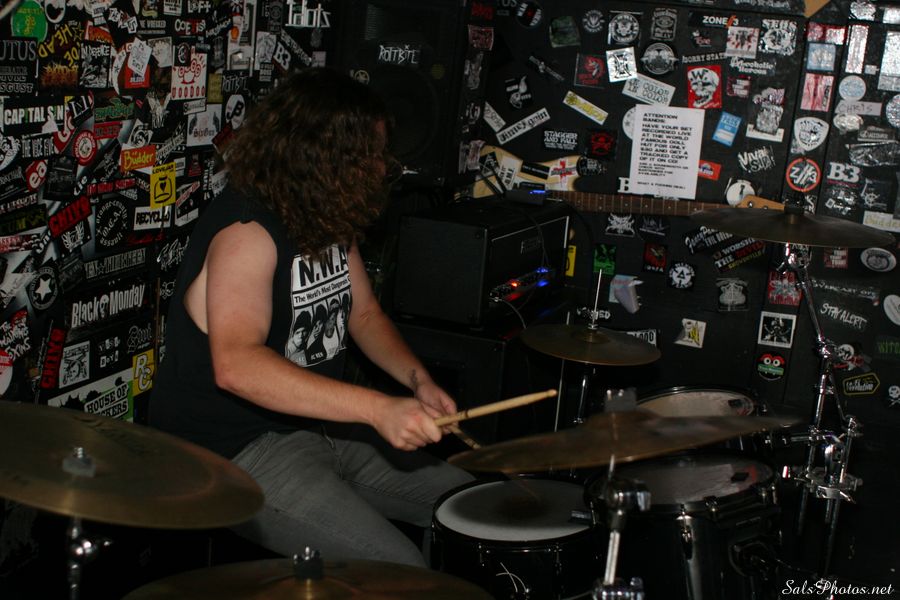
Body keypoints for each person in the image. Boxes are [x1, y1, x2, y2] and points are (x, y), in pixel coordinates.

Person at [150, 67, 473, 567]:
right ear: (325, 157)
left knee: (470, 506)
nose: (382, 166)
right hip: (233, 447)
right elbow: (236, 366)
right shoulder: (247, 232)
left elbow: (364, 314)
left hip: (318, 426)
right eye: (370, 154)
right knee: (401, 568)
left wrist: (418, 381)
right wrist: (378, 409)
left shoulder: (325, 214)